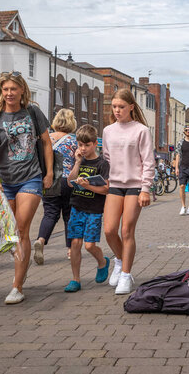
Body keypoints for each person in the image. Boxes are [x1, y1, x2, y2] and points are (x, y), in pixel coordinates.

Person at [0, 71, 54, 305]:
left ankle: (17, 286)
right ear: (0, 92)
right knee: (11, 234)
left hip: (30, 178)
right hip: (5, 181)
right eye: (5, 89)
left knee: (21, 228)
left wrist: (49, 172)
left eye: (13, 89)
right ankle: (21, 261)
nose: (9, 93)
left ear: (22, 90)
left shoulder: (32, 112)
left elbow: (46, 142)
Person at [103, 89, 155, 295]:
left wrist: (146, 189)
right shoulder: (108, 131)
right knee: (108, 230)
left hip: (134, 185)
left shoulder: (141, 130)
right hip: (114, 184)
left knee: (127, 231)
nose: (117, 110)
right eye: (114, 107)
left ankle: (126, 274)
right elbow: (105, 159)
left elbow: (148, 161)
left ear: (131, 107)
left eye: (121, 107)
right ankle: (119, 260)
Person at [64, 124, 110, 292]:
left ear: (94, 144)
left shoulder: (102, 163)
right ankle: (75, 279)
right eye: (80, 145)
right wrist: (77, 162)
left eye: (86, 145)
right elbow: (70, 182)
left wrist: (88, 186)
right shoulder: (79, 160)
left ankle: (103, 262)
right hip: (77, 207)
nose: (83, 149)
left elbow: (106, 189)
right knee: (75, 244)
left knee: (89, 245)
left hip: (94, 210)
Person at [33, 108, 78, 265]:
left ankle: (40, 240)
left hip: (50, 179)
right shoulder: (73, 141)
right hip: (67, 181)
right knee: (68, 215)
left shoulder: (47, 139)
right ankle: (71, 249)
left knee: (50, 213)